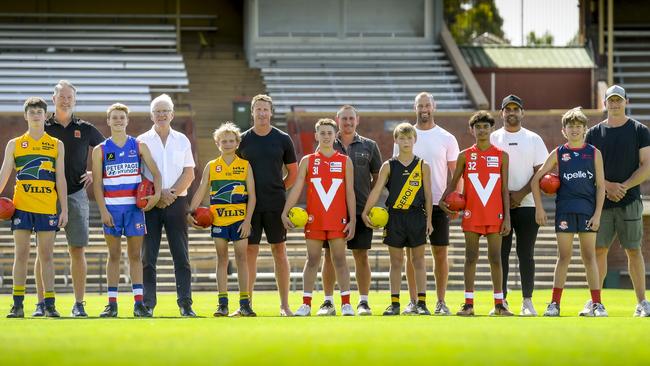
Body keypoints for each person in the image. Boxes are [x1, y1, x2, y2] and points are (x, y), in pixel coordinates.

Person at [34, 80, 104, 317]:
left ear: (74, 100)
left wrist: (95, 170)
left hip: (76, 194)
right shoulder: (42, 125)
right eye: (61, 96)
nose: (65, 100)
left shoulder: (85, 128)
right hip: (44, 196)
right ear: (53, 99)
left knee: (77, 249)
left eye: (69, 97)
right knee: (43, 251)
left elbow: (108, 151)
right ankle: (41, 303)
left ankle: (79, 303)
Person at [531, 107, 607, 317]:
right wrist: (539, 207)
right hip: (564, 211)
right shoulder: (559, 153)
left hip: (587, 213)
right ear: (564, 130)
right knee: (563, 257)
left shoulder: (593, 153)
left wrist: (598, 214)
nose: (574, 130)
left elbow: (601, 186)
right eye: (570, 126)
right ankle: (554, 304)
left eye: (578, 126)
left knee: (589, 256)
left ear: (585, 129)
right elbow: (536, 179)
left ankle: (597, 304)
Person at [585, 85, 650, 317]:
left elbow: (647, 166)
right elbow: (587, 168)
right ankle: (595, 303)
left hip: (630, 200)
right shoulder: (592, 133)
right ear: (605, 103)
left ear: (626, 102)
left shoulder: (639, 130)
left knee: (633, 250)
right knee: (599, 250)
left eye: (618, 100)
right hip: (601, 203)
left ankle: (642, 303)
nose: (614, 104)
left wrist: (623, 187)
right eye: (610, 100)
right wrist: (608, 186)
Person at [92, 103, 161, 318]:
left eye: (122, 117)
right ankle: (112, 305)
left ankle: (138, 303)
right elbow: (97, 184)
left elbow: (156, 173)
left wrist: (156, 194)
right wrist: (103, 210)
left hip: (133, 210)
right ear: (109, 121)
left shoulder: (139, 146)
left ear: (127, 121)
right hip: (112, 210)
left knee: (134, 256)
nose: (119, 121)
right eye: (115, 117)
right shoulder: (100, 150)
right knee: (113, 255)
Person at [440, 111, 513, 317]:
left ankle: (499, 304)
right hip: (472, 213)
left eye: (485, 127)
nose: (482, 130)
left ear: (491, 129)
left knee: (495, 258)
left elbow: (504, 189)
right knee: (470, 257)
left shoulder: (502, 155)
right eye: (478, 127)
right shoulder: (465, 155)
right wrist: (443, 199)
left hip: (495, 214)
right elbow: (454, 183)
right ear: (471, 130)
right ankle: (468, 304)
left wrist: (507, 217)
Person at [0, 97, 68, 318]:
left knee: (46, 256)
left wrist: (64, 209)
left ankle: (49, 304)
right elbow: (4, 176)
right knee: (21, 256)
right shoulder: (15, 144)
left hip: (48, 207)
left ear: (46, 116)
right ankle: (17, 305)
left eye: (40, 111)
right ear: (25, 116)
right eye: (32, 112)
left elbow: (61, 180)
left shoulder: (56, 144)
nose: (36, 115)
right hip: (21, 207)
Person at [281, 118, 356, 316]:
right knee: (312, 259)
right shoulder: (307, 161)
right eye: (322, 133)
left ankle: (346, 303)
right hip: (315, 218)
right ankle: (306, 304)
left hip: (337, 219)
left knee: (340, 259)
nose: (326, 136)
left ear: (335, 135)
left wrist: (353, 220)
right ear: (316, 136)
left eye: (329, 133)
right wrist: (284, 211)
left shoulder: (344, 161)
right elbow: (297, 189)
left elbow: (350, 193)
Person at [395, 92, 459, 316]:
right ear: (415, 108)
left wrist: (455, 203)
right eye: (420, 105)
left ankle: (441, 301)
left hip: (439, 204)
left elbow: (456, 173)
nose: (424, 109)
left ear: (434, 107)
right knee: (412, 256)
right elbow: (397, 172)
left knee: (440, 253)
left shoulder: (447, 137)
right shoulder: (405, 136)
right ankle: (414, 301)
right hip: (411, 206)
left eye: (427, 105)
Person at [187, 122, 257, 317]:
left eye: (231, 140)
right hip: (218, 220)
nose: (227, 144)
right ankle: (222, 303)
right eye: (223, 141)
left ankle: (245, 302)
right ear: (217, 143)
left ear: (237, 142)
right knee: (222, 259)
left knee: (242, 258)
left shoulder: (244, 165)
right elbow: (201, 190)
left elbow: (252, 195)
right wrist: (190, 212)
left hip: (240, 219)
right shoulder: (212, 166)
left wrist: (247, 220)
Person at [318, 105, 382, 316]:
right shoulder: (326, 143)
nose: (347, 122)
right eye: (344, 119)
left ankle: (363, 302)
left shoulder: (370, 146)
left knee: (361, 255)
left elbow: (379, 179)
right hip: (331, 211)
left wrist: (370, 203)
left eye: (351, 119)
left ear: (357, 120)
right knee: (329, 257)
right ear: (337, 120)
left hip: (361, 210)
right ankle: (328, 301)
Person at [237, 94, 297, 316]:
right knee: (249, 252)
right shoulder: (242, 140)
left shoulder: (283, 139)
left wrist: (278, 189)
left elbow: (293, 173)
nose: (262, 113)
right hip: (248, 206)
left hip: (275, 204)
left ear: (271, 112)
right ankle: (246, 305)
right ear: (252, 112)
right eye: (258, 109)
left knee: (279, 251)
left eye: (265, 109)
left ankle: (284, 305)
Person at [364, 122, 433, 316]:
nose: (405, 141)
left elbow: (428, 195)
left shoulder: (422, 165)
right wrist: (365, 212)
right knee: (396, 262)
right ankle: (394, 303)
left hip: (416, 216)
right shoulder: (389, 165)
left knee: (419, 261)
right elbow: (377, 190)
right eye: (401, 138)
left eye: (409, 138)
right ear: (396, 140)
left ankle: (421, 303)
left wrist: (429, 221)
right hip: (394, 217)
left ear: (415, 140)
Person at [138, 94, 196, 317]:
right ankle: (148, 304)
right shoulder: (141, 140)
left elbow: (189, 172)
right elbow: (138, 174)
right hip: (149, 204)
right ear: (151, 115)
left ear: (172, 114)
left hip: (176, 202)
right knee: (147, 257)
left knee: (181, 255)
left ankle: (185, 304)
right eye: (157, 111)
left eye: (165, 111)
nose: (161, 115)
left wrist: (169, 193)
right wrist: (156, 195)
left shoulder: (182, 140)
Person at [490, 94, 548, 316]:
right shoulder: (494, 138)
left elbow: (540, 173)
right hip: (498, 205)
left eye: (516, 109)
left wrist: (520, 195)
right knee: (500, 253)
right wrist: (506, 198)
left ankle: (527, 301)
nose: (512, 112)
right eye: (508, 109)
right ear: (502, 113)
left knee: (526, 253)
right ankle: (501, 301)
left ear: (522, 112)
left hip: (527, 204)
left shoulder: (533, 139)